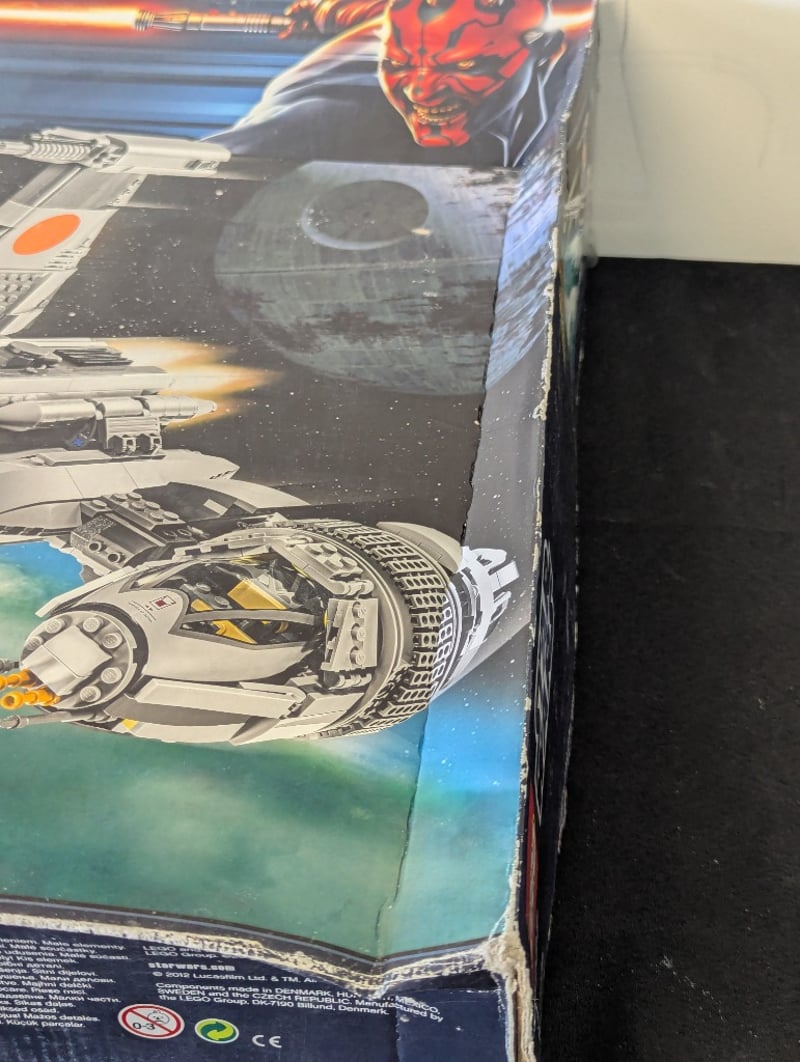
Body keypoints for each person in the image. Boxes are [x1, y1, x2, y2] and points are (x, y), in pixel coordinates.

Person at [210, 0, 573, 166]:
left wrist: (326, 13)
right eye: (398, 64)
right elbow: (218, 161)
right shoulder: (332, 113)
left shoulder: (559, 57)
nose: (420, 90)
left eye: (464, 65)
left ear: (544, 50)